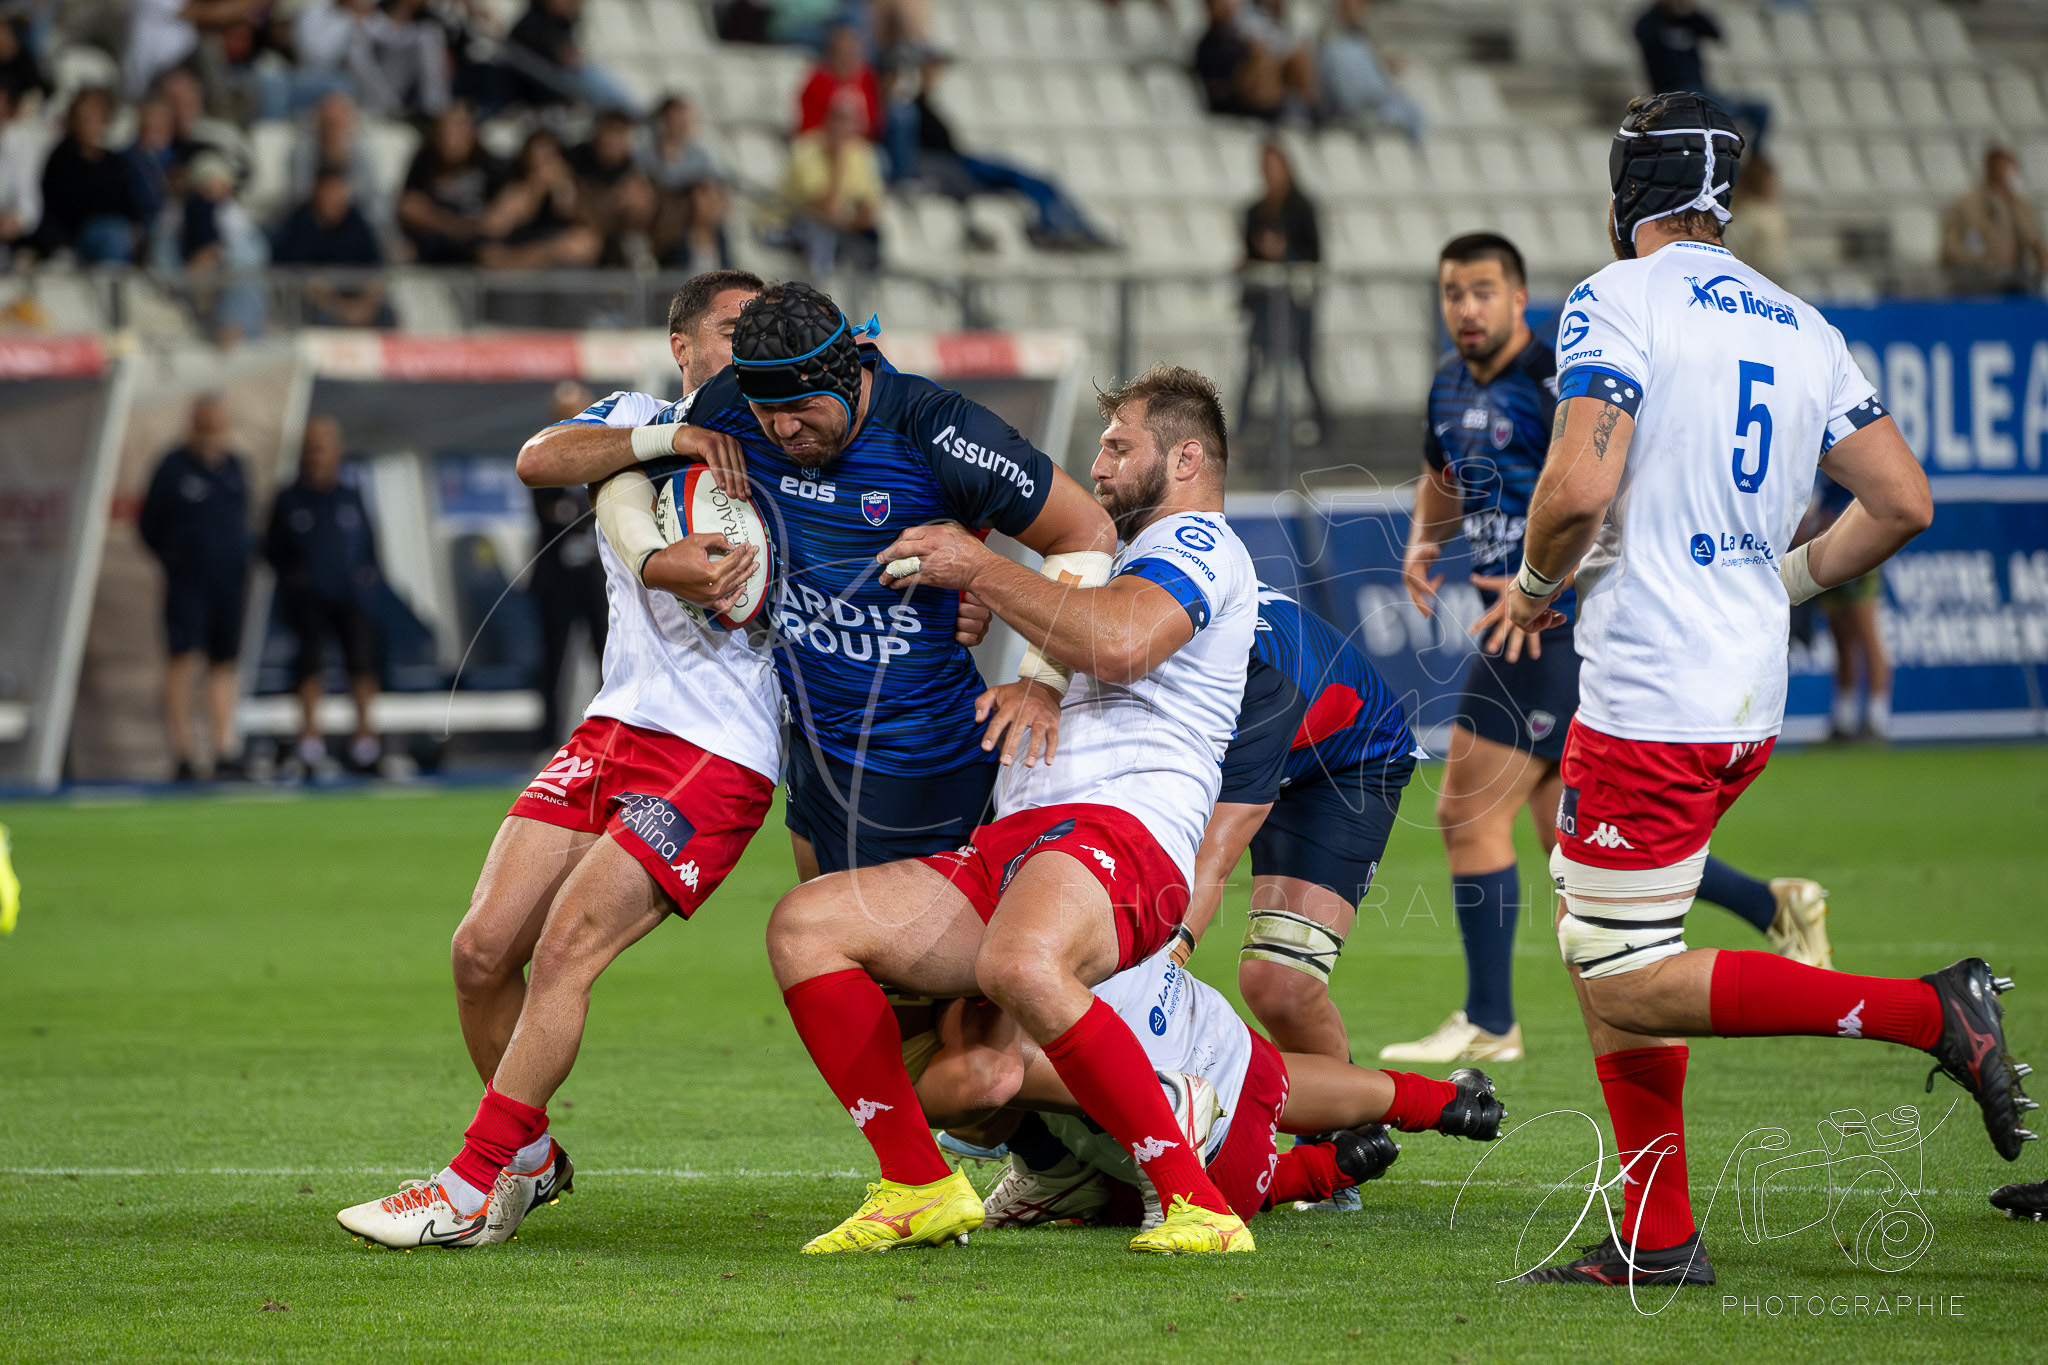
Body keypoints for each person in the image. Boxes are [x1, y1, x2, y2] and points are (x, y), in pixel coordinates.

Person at [1504, 93, 2030, 1288]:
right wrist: (1779, 583)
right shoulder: (1800, 325)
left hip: (1649, 692)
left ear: (1623, 196)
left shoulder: (1613, 298)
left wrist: (1533, 585)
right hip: (1744, 692)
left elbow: (1580, 485)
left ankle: (1926, 1013)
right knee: (1615, 943)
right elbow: (1900, 499)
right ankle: (1655, 1233)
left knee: (1622, 972)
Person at [762, 364, 1273, 1257]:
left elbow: (1117, 640)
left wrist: (984, 567)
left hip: (1123, 833)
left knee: (1017, 964)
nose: (1100, 463)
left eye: (1120, 446)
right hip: (1022, 839)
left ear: (1187, 457)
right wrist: (1008, 653)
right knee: (808, 924)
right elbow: (1084, 630)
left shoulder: (1202, 543)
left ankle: (1199, 1204)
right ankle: (918, 1182)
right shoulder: (1119, 565)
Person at [336, 272, 785, 1249]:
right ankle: (529, 1163)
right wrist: (673, 439)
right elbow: (540, 457)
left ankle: (466, 1188)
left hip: (718, 752)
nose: (752, 340)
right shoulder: (638, 419)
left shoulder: (792, 449)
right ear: (681, 344)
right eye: (731, 326)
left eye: (765, 325)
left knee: (565, 952)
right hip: (610, 729)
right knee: (478, 952)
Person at [1384, 231, 1834, 1070]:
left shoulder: (1561, 370)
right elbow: (1441, 473)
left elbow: (1601, 482)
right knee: (1576, 842)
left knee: (1463, 810)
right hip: (1511, 622)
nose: (1466, 308)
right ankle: (1775, 905)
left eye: (1483, 291)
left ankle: (1490, 1018)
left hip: (1546, 618)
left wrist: (1543, 578)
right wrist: (1422, 543)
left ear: (1520, 299)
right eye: (1452, 293)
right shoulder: (1447, 384)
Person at [553, 282, 1114, 883]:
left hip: (929, 762)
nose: (785, 429)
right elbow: (605, 466)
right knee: (828, 952)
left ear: (848, 376)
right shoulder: (729, 402)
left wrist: (1042, 681)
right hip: (815, 758)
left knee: (884, 960)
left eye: (803, 408)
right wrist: (651, 558)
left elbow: (1086, 532)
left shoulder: (941, 432)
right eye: (768, 414)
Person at [907, 944, 1503, 1229]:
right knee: (1259, 1074)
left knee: (954, 1073)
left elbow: (982, 1084)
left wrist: (892, 1108)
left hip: (1206, 1157)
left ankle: (1302, 1165)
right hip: (1218, 1032)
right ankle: (1445, 1103)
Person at [138, 395, 253, 782]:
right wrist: (178, 559)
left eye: (217, 428)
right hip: (188, 584)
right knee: (182, 660)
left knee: (223, 664)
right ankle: (182, 752)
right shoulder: (173, 468)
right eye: (204, 427)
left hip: (228, 583)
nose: (211, 436)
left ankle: (224, 749)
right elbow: (149, 525)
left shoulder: (235, 467)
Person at [886, 59, 1113, 252]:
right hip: (958, 168)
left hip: (961, 163)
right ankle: (1057, 227)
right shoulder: (908, 109)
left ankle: (1070, 226)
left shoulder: (920, 106)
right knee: (1028, 179)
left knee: (1037, 180)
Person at [265, 415, 386, 776]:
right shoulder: (289, 499)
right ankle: (310, 745)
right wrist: (295, 579)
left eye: (324, 445)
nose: (318, 453)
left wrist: (367, 579)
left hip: (350, 597)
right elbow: (273, 549)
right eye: (312, 445)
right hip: (308, 600)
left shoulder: (350, 497)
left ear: (337, 452)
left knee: (362, 664)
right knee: (310, 664)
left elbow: (369, 546)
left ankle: (365, 744)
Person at [526, 381, 610, 748]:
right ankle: (548, 742)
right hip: (555, 579)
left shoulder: (606, 454)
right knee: (553, 661)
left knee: (609, 655)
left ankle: (605, 737)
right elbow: (552, 513)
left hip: (598, 577)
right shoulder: (540, 456)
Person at [1239, 140, 1326, 439]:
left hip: (1295, 302)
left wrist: (1283, 255)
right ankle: (1241, 430)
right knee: (1255, 366)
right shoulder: (1255, 211)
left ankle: (1323, 424)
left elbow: (1314, 256)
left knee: (1304, 364)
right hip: (1264, 304)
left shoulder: (1301, 208)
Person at [1800, 473, 1890, 741]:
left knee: (1867, 636)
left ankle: (1877, 718)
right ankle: (1845, 718)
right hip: (1829, 550)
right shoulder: (1823, 466)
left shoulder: (1850, 455)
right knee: (1841, 639)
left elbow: (1864, 499)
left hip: (1858, 549)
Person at [1630, 0, 1767, 148]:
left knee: (1759, 111)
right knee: (1713, 115)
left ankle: (1754, 159)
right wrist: (1667, 14)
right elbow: (1640, 33)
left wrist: (1690, 12)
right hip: (1671, 94)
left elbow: (1714, 33)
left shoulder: (1691, 20)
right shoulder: (1650, 22)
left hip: (1702, 92)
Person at [30, 88, 143, 263]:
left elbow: (129, 203)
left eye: (95, 115)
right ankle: (111, 284)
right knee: (113, 237)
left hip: (121, 230)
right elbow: (52, 208)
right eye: (85, 116)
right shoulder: (61, 158)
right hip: (80, 234)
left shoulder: (114, 161)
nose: (90, 121)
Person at [270, 168, 391, 328]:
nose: (332, 196)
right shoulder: (300, 222)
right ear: (316, 191)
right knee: (319, 317)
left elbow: (376, 271)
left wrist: (363, 306)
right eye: (328, 189)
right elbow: (299, 277)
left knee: (388, 314)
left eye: (337, 189)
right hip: (320, 303)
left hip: (357, 300)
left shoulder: (358, 223)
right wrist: (340, 308)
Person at [775, 101, 882, 276]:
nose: (841, 127)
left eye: (848, 120)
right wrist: (838, 162)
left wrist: (845, 220)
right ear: (826, 120)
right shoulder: (805, 149)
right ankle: (820, 294)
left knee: (870, 237)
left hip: (840, 227)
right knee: (820, 232)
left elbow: (869, 210)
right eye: (837, 119)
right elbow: (823, 209)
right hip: (788, 225)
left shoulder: (862, 154)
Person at [398, 103, 507, 264]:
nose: (452, 136)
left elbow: (506, 213)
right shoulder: (424, 160)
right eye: (446, 128)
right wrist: (458, 226)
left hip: (480, 252)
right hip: (436, 250)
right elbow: (408, 206)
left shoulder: (489, 163)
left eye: (460, 127)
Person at [477, 129, 601, 269]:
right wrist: (536, 189)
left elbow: (583, 222)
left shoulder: (568, 183)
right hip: (518, 246)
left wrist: (562, 187)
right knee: (489, 255)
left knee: (582, 242)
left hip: (549, 247)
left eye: (548, 157)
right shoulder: (516, 189)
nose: (543, 164)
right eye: (537, 157)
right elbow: (492, 227)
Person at [1940, 146, 2046, 296]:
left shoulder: (2016, 204)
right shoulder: (1969, 204)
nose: (2009, 174)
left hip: (2013, 281)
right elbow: (1956, 243)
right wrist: (1982, 262)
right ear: (1992, 168)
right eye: (2003, 168)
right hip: (1977, 282)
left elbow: (2033, 238)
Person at [1316, 0, 1421, 141]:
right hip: (1356, 116)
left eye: (1364, 5)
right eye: (1355, 5)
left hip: (1380, 110)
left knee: (1412, 113)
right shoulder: (1334, 47)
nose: (1361, 11)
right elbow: (1348, 99)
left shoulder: (1365, 44)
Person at [287, 91, 388, 232]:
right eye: (328, 122)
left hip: (354, 221)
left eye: (339, 123)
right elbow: (299, 194)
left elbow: (371, 196)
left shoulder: (362, 152)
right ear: (318, 123)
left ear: (351, 123)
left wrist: (341, 201)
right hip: (312, 220)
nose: (334, 128)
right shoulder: (302, 150)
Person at [795, 23, 881, 139]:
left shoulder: (866, 77)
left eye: (850, 52)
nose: (845, 57)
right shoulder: (817, 81)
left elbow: (875, 122)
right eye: (840, 52)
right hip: (824, 142)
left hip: (859, 144)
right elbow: (807, 125)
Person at [1721, 149, 1787, 285]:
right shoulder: (1766, 217)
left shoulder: (1726, 212)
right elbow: (1773, 265)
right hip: (1760, 286)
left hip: (1731, 281)